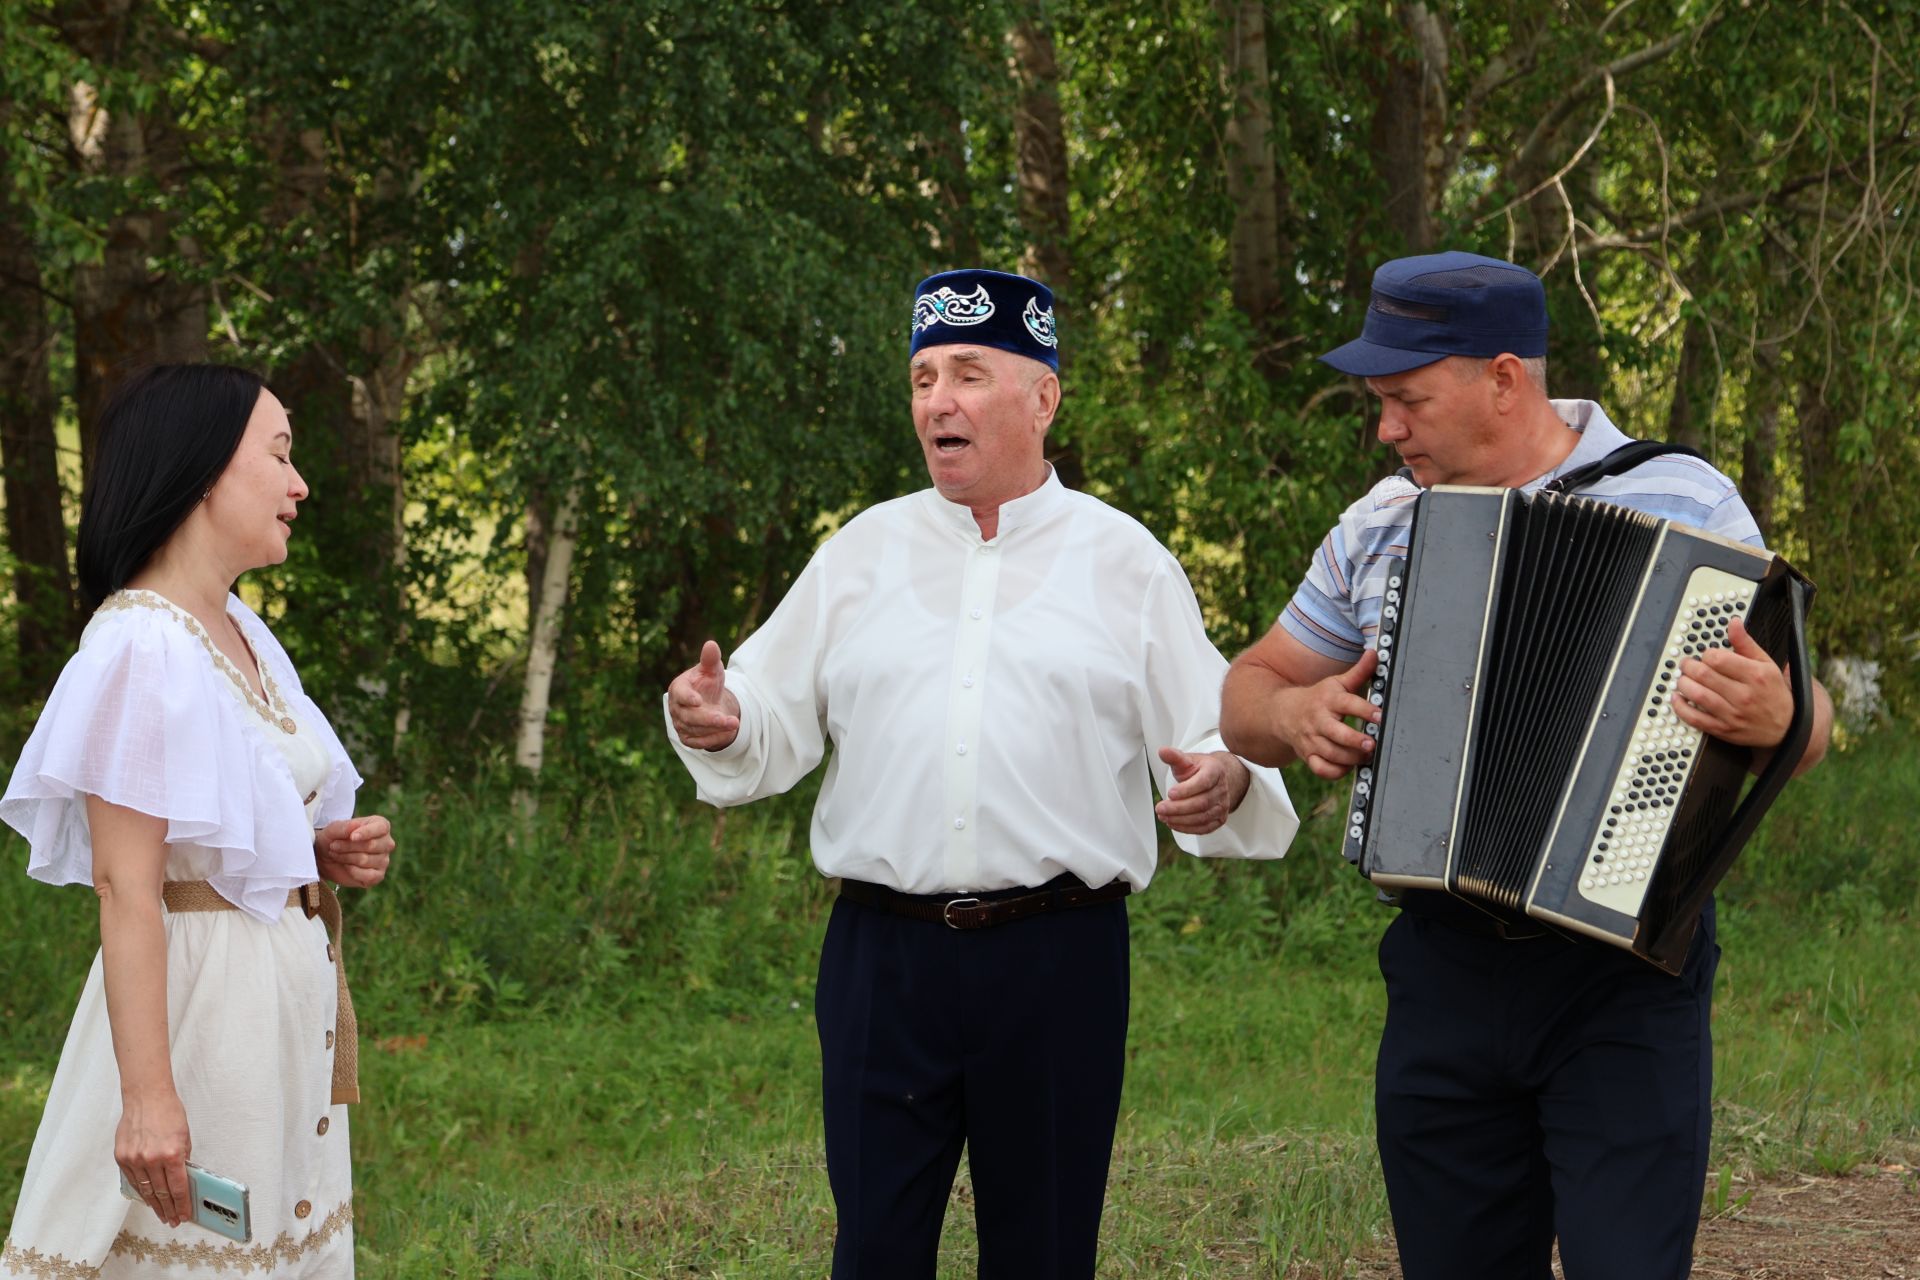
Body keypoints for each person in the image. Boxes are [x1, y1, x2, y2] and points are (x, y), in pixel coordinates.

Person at [664, 268, 1298, 1278]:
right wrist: (718, 718)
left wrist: (1222, 780)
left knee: (1044, 1249)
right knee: (872, 1247)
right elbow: (767, 712)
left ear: (1044, 397)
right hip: (882, 959)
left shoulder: (1124, 561)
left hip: (1057, 960)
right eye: (922, 377)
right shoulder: (862, 551)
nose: (937, 402)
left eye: (968, 372)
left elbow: (1213, 729)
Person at [1220, 250, 1834, 1280]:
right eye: (1378, 403)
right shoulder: (1379, 525)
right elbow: (1247, 692)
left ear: (1503, 377)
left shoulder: (1680, 493)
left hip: (1624, 969)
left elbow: (1805, 719)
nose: (1386, 428)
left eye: (1407, 399)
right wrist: (1292, 709)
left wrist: (1779, 711)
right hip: (1444, 967)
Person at [0, 364, 396, 1278]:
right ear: (204, 469)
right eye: (280, 454)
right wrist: (146, 1098)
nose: (300, 485)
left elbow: (212, 834)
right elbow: (127, 883)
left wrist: (312, 851)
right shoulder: (142, 643)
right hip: (202, 1013)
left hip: (277, 1004)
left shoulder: (243, 633)